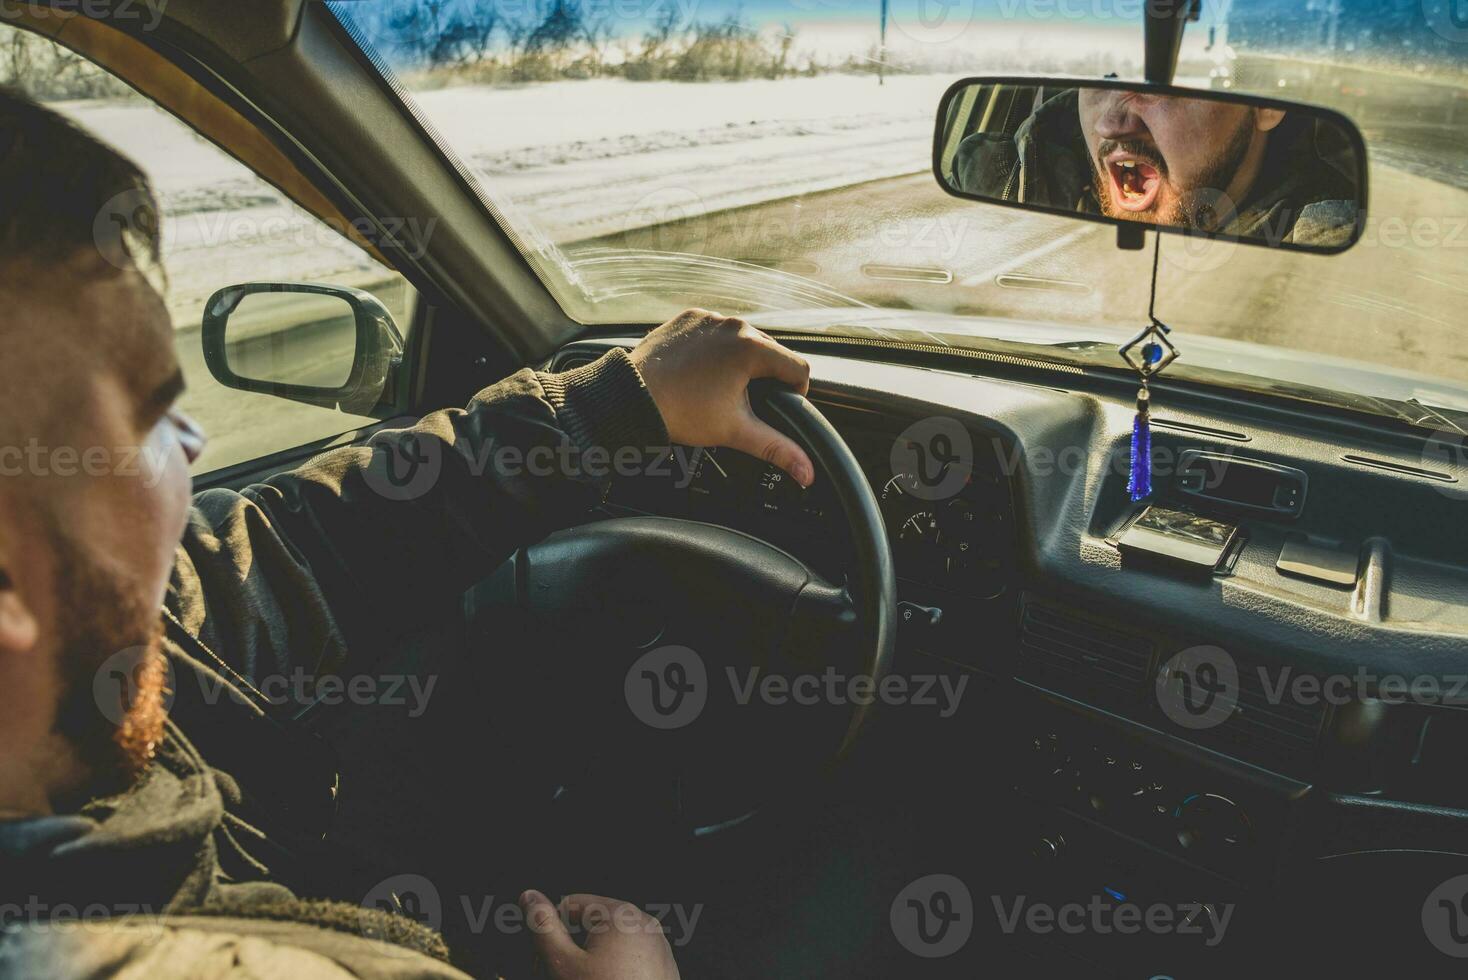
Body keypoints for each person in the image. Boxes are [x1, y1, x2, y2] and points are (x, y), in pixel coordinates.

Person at [0, 86, 813, 978]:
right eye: (153, 421)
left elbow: (284, 553)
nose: (193, 453)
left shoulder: (96, 660)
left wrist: (613, 406)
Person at [952, 84, 1360, 248]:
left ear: (1265, 104)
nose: (1109, 123)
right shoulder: (997, 179)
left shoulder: (1321, 236)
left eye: (1161, 87)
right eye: (1098, 78)